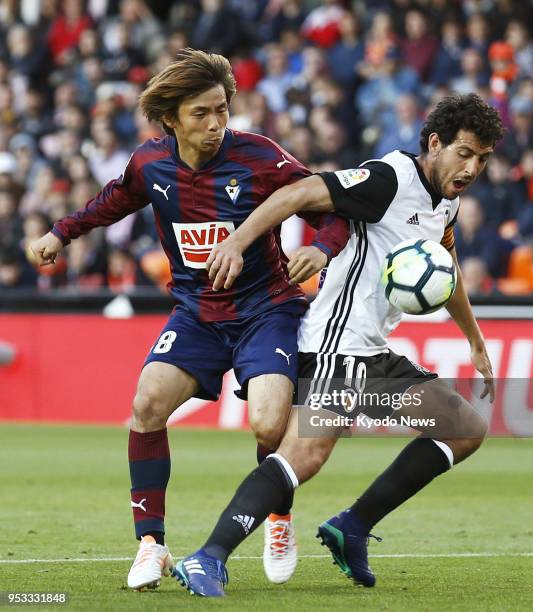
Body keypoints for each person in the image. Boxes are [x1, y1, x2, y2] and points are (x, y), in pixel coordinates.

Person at [29, 48, 349, 592]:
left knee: (271, 424)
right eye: (201, 113)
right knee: (147, 403)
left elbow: (329, 207)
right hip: (198, 313)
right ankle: (151, 545)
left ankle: (277, 517)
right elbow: (113, 201)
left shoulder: (259, 157)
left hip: (266, 309)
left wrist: (321, 250)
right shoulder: (151, 164)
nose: (216, 123)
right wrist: (61, 233)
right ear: (171, 119)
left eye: (222, 109)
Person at [173, 93, 504, 597]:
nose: (473, 167)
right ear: (434, 143)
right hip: (333, 345)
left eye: (482, 158)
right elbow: (296, 195)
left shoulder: (447, 201)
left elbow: (447, 263)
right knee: (304, 456)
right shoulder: (388, 178)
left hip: (370, 352)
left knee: (464, 428)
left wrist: (475, 340)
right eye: (465, 153)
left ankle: (351, 526)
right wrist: (237, 241)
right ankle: (207, 557)